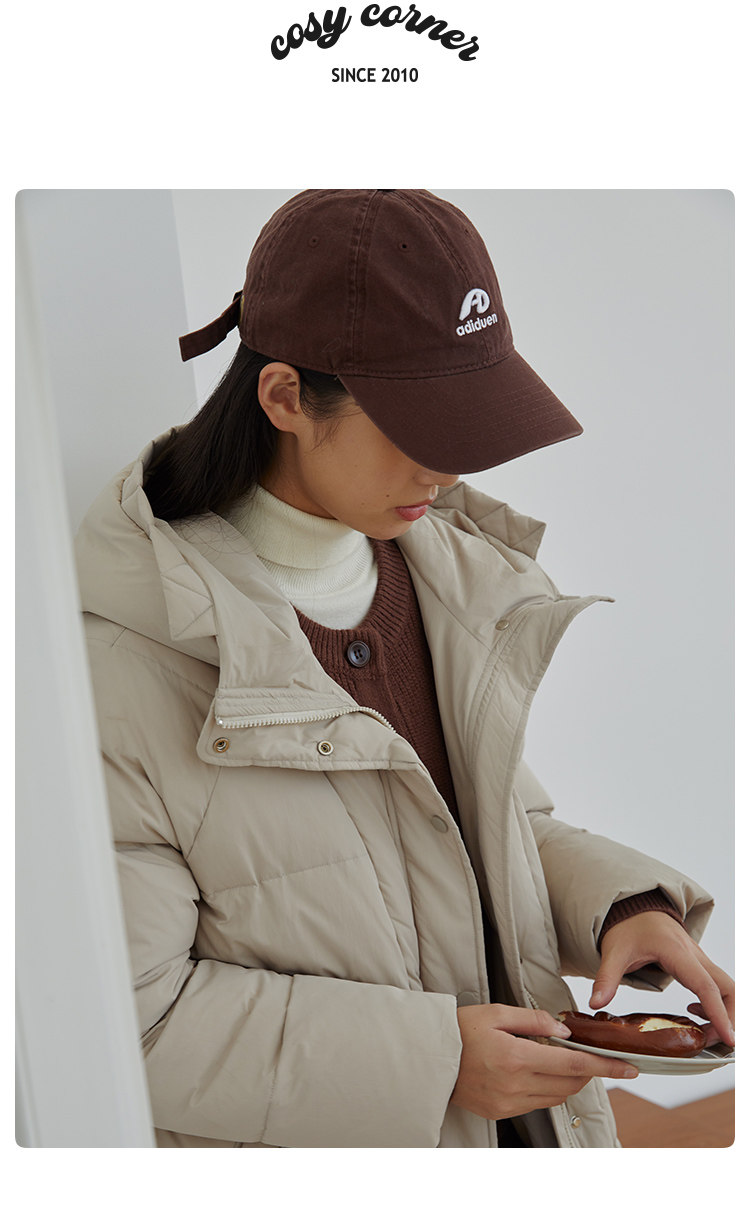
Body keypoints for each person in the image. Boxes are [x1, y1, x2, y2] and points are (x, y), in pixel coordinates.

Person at [75, 189, 734, 1148]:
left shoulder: (446, 581)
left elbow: (481, 834)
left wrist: (619, 909)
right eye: (420, 426)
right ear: (284, 397)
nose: (451, 470)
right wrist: (434, 1062)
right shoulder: (122, 663)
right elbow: (134, 1023)